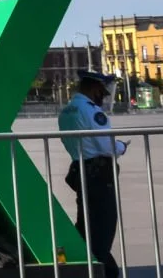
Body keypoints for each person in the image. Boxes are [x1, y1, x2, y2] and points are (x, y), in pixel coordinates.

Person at [59, 71, 128, 278]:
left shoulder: (67, 110)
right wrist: (122, 146)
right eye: (102, 92)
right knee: (102, 231)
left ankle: (105, 270)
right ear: (93, 88)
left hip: (80, 171)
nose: (103, 97)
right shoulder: (91, 111)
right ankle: (101, 272)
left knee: (87, 228)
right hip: (99, 176)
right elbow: (106, 145)